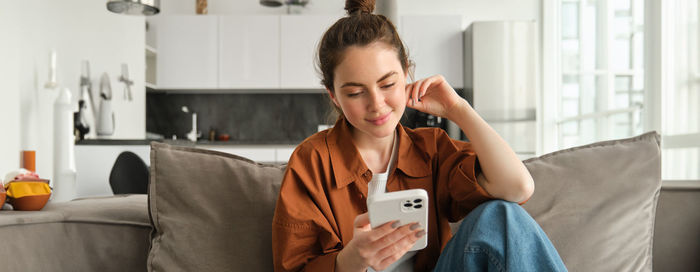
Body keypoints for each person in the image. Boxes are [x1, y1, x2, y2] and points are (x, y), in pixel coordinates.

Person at [272, 0, 568, 271]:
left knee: (501, 215)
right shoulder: (311, 161)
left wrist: (459, 110)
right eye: (355, 92)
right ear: (333, 96)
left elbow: (518, 188)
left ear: (407, 74)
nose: (376, 104)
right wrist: (350, 260)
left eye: (387, 84)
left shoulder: (433, 149)